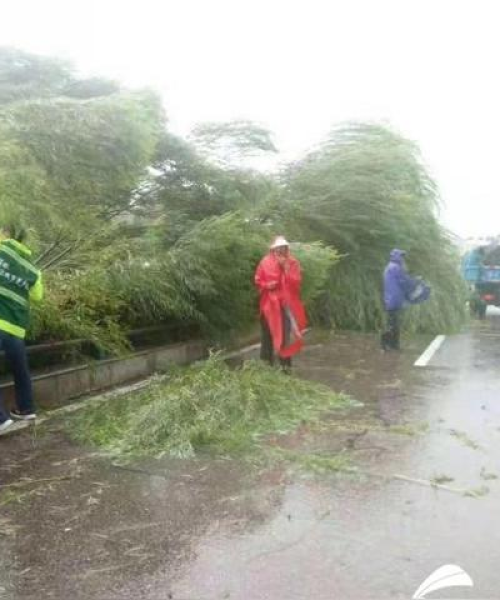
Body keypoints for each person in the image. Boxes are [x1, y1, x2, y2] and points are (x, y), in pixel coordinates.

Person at [0, 224, 43, 434]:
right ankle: (26, 409)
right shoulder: (32, 268)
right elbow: (37, 296)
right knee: (20, 370)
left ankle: (1, 420)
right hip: (16, 328)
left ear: (6, 234)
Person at [255, 236, 306, 369]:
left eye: (283, 247)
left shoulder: (293, 262)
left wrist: (285, 268)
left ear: (286, 248)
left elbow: (296, 283)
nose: (280, 250)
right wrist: (267, 285)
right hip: (268, 305)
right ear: (273, 249)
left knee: (283, 337)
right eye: (278, 247)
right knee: (266, 336)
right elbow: (258, 280)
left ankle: (285, 368)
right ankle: (265, 366)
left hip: (284, 305)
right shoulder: (265, 262)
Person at [381, 248, 429, 351]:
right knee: (393, 324)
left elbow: (403, 281)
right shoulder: (396, 268)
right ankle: (386, 343)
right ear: (396, 256)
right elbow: (405, 282)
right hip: (395, 300)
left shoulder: (390, 267)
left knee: (393, 322)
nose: (403, 258)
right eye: (401, 256)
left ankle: (393, 346)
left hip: (391, 299)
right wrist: (417, 281)